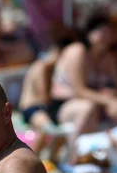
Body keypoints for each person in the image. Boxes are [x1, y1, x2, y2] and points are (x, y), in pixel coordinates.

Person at [48, 13, 117, 163]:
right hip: (64, 105)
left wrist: (113, 95)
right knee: (87, 109)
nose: (105, 35)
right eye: (100, 30)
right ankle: (73, 158)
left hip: (96, 103)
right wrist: (108, 100)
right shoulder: (77, 51)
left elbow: (116, 88)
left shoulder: (108, 57)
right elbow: (79, 90)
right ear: (88, 33)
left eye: (108, 31)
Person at [17, 34, 74, 162]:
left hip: (36, 107)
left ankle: (49, 161)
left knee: (56, 131)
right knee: (49, 130)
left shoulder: (43, 64)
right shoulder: (45, 66)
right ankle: (31, 161)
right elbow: (43, 96)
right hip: (32, 108)